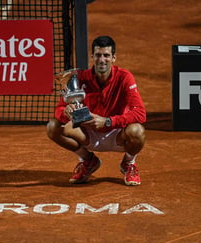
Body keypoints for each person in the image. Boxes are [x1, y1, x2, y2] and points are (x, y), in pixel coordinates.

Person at [46, 36, 146, 186]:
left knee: (137, 131)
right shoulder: (80, 78)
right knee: (53, 127)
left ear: (113, 58)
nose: (102, 60)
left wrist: (108, 121)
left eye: (106, 55)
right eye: (98, 55)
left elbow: (140, 113)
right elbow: (59, 110)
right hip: (88, 133)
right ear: (92, 56)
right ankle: (88, 160)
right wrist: (66, 112)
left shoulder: (124, 78)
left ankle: (128, 163)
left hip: (117, 134)